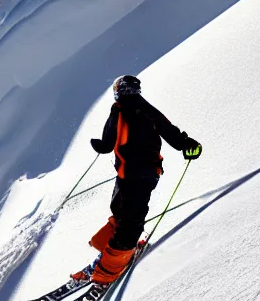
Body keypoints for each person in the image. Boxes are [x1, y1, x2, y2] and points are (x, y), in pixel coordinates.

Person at [72, 75, 202, 285]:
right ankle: (112, 255)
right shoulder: (147, 109)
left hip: (128, 174)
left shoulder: (118, 110)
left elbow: (108, 142)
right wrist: (187, 144)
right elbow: (168, 130)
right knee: (126, 214)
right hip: (146, 173)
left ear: (118, 91)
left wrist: (100, 145)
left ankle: (108, 270)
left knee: (127, 218)